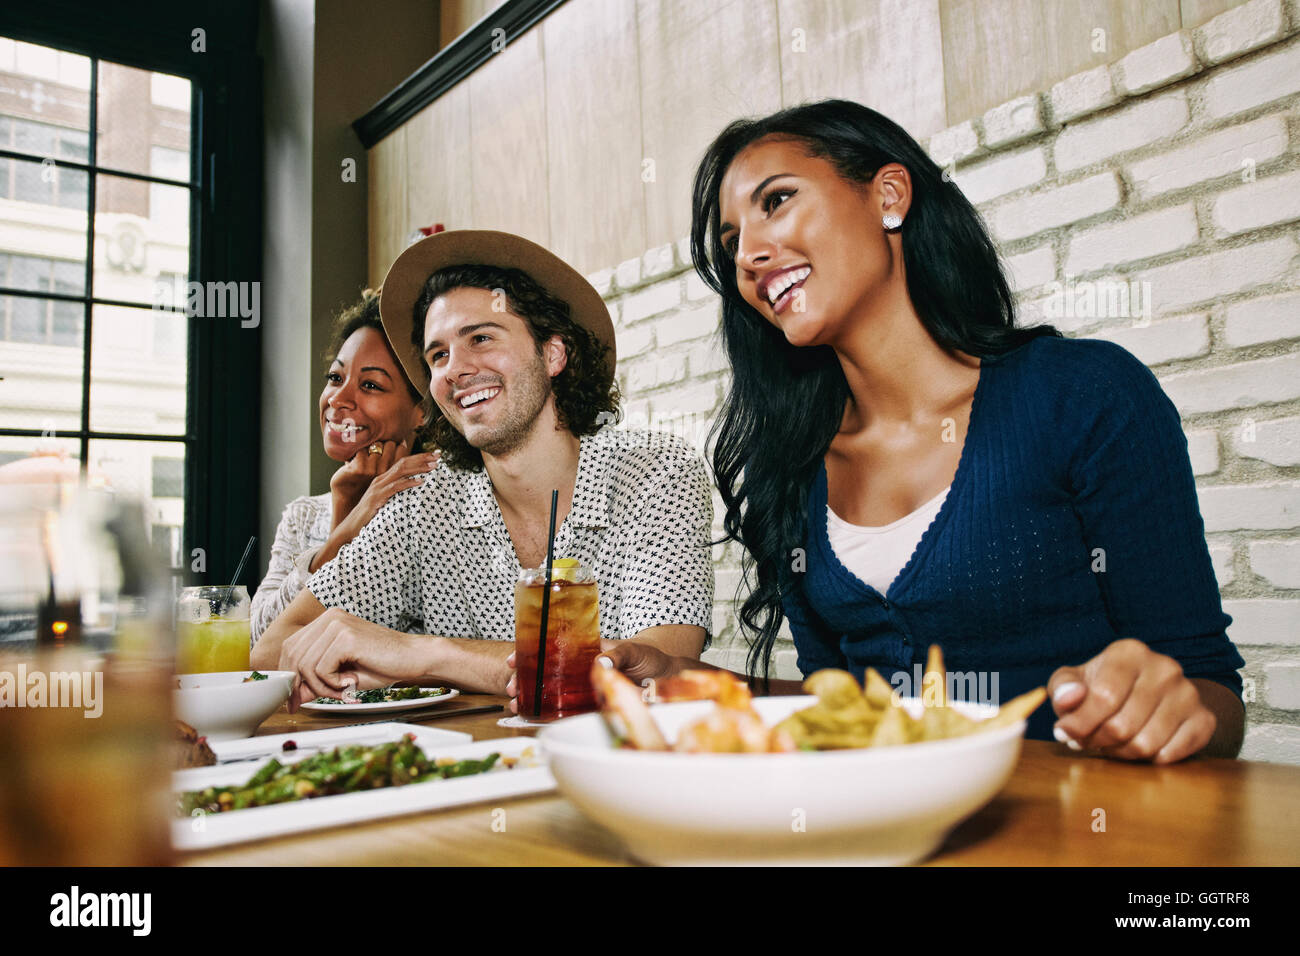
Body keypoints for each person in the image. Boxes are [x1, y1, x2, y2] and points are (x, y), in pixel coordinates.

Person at [602, 99, 1245, 764]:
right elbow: (852, 706)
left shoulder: (1083, 396)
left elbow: (1213, 695)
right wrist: (715, 687)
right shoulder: (789, 469)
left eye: (778, 201)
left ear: (889, 196)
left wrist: (1167, 710)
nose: (752, 256)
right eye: (733, 244)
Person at [251, 230, 714, 707]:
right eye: (438, 355)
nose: (455, 368)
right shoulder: (424, 502)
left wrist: (420, 655)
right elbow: (271, 651)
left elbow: (657, 678)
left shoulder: (656, 471)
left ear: (553, 353)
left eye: (480, 338)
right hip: (471, 773)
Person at [250, 290, 438, 644]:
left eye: (369, 385)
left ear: (423, 411)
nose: (337, 398)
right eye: (335, 378)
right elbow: (260, 645)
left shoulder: (442, 506)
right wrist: (343, 519)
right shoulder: (304, 517)